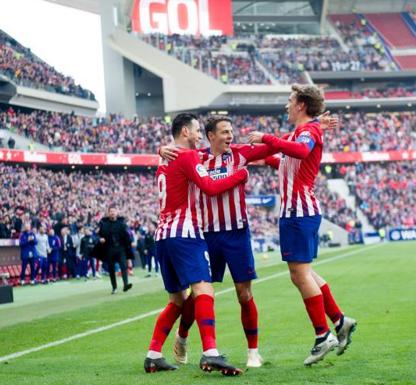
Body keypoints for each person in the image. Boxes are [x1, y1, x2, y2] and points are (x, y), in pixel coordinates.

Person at [158, 114, 285, 368]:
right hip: (207, 235)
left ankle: (252, 352)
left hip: (237, 233)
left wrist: (269, 142)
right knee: (198, 292)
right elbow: (173, 155)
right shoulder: (197, 156)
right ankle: (182, 337)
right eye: (225, 132)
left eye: (231, 132)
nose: (230, 136)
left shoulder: (239, 154)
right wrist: (160, 149)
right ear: (211, 136)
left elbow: (272, 147)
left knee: (244, 293)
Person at [247, 84, 356, 366]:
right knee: (304, 272)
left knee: (299, 275)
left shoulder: (307, 133)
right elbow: (287, 161)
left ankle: (323, 335)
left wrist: (267, 139)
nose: (286, 105)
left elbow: (301, 151)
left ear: (301, 105)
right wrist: (259, 156)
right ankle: (339, 321)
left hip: (299, 211)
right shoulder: (301, 132)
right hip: (296, 211)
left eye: (290, 100)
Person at [144, 113, 248, 375]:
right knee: (204, 289)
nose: (200, 135)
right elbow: (210, 187)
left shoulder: (165, 156)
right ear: (185, 132)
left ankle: (153, 354)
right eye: (197, 131)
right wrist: (240, 175)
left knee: (177, 300)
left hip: (163, 235)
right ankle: (211, 352)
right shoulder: (187, 156)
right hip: (185, 233)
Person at [98, 206, 133, 294]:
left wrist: (130, 242)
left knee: (123, 265)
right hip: (109, 248)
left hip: (120, 248)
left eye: (114, 211)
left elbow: (127, 234)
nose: (112, 213)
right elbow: (99, 234)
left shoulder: (121, 223)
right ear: (108, 213)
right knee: (111, 269)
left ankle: (125, 285)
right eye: (111, 211)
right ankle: (114, 287)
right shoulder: (104, 224)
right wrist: (101, 238)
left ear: (117, 212)